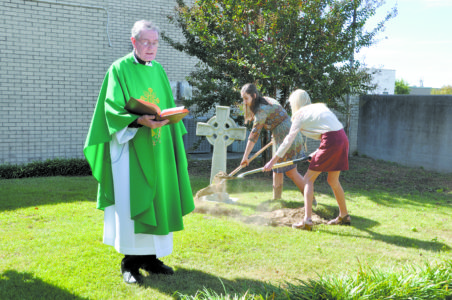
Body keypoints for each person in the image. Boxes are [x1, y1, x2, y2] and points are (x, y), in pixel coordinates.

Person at [83, 20, 195, 284]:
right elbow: (111, 110)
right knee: (132, 200)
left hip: (158, 148)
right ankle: (130, 263)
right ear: (133, 42)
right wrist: (139, 121)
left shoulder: (158, 70)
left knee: (159, 200)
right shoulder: (118, 69)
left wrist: (169, 116)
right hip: (130, 149)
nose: (151, 48)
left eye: (155, 43)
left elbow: (164, 105)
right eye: (146, 42)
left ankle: (151, 258)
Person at [263, 89, 350, 231]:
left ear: (295, 103)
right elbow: (330, 132)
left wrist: (273, 161)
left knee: (308, 179)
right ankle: (344, 215)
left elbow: (288, 140)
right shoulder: (319, 107)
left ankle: (307, 221)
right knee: (333, 180)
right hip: (342, 138)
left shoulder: (300, 115)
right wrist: (316, 152)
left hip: (332, 141)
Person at [240, 83, 314, 203]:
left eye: (246, 98)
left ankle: (311, 200)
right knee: (277, 169)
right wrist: (276, 134)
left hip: (286, 137)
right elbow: (278, 117)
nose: (244, 102)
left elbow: (253, 136)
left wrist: (245, 157)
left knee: (291, 172)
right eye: (243, 98)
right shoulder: (266, 100)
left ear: (254, 96)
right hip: (287, 134)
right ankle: (277, 201)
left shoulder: (261, 111)